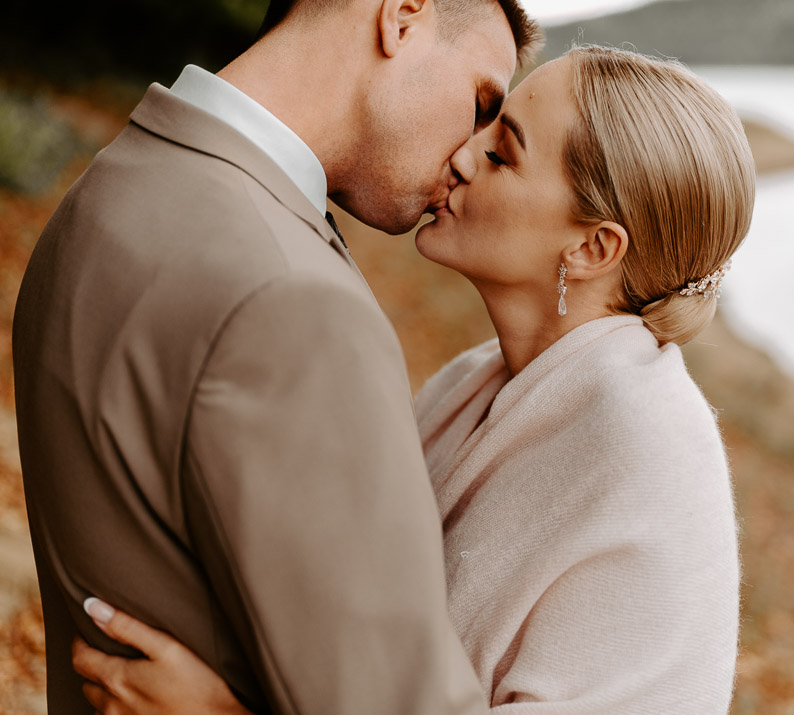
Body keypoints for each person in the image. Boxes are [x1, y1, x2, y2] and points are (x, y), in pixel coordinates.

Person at [69, 46, 756, 713]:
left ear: (592, 247)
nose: (460, 155)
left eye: (501, 153)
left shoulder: (651, 453)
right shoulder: (468, 384)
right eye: (485, 124)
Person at [11, 0, 542, 712]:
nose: (470, 156)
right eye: (480, 104)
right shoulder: (293, 299)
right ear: (403, 16)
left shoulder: (111, 185)